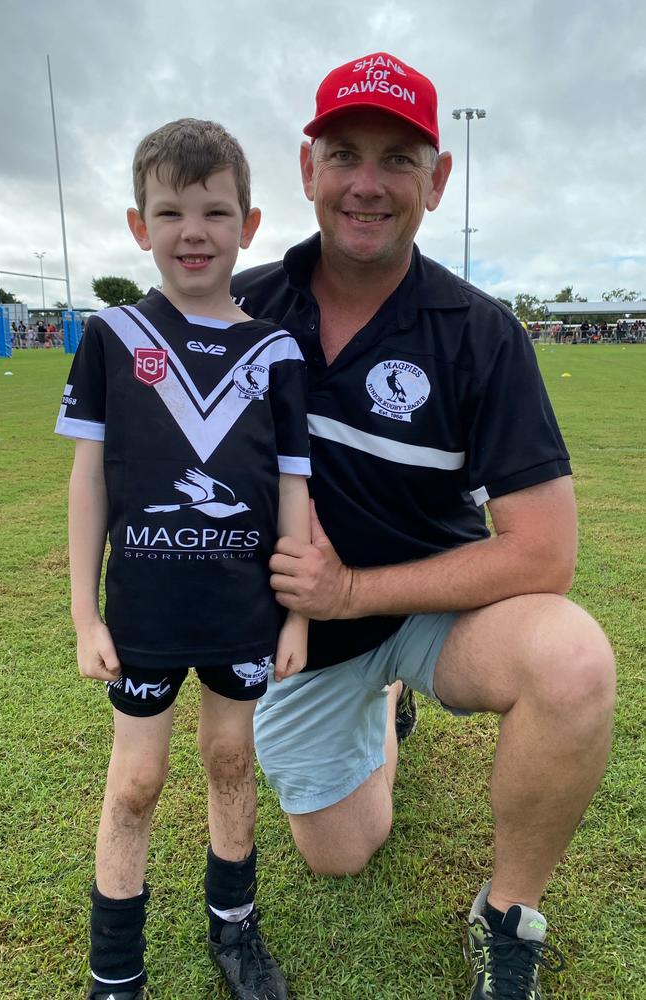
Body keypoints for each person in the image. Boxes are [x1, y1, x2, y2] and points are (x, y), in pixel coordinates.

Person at [231, 52, 616, 999]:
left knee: (573, 660)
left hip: (427, 612)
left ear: (437, 180)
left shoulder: (481, 332)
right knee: (339, 854)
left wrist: (356, 591)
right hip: (302, 643)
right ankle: (383, 717)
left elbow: (545, 552)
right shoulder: (243, 307)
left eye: (399, 159)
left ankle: (506, 913)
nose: (369, 183)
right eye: (346, 153)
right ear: (308, 166)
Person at [55, 118, 312, 1000]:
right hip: (145, 615)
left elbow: (292, 492)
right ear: (139, 226)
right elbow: (90, 482)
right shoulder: (112, 336)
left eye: (214, 211)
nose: (192, 231)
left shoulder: (275, 352)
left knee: (231, 759)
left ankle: (233, 928)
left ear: (249, 223)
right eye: (170, 212)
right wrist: (87, 614)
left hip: (242, 610)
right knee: (135, 781)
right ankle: (113, 972)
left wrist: (300, 612)